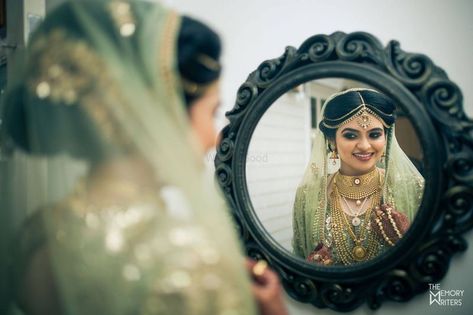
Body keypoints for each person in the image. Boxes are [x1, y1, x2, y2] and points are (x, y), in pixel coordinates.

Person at [2, 1, 288, 314]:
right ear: (162, 117)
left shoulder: (38, 237)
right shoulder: (189, 265)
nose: (213, 137)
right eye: (212, 113)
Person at [292, 88, 424, 266]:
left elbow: (432, 260)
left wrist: (405, 241)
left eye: (375, 134)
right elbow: (299, 257)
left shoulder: (412, 188)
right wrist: (313, 269)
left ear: (386, 138)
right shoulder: (308, 195)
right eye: (351, 135)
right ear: (332, 141)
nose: (364, 145)